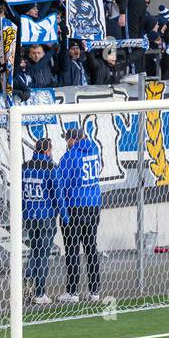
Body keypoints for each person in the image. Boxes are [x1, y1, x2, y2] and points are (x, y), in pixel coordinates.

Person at [53, 127, 103, 302]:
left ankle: (72, 292)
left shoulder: (70, 157)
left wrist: (62, 212)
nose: (66, 143)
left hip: (75, 208)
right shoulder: (95, 150)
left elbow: (61, 186)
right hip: (94, 206)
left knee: (72, 250)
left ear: (73, 140)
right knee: (91, 248)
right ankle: (95, 291)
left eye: (67, 139)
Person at [21, 137, 58, 305]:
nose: (51, 153)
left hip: (29, 215)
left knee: (34, 250)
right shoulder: (51, 167)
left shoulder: (24, 167)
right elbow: (57, 194)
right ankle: (40, 292)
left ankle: (28, 277)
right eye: (50, 150)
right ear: (46, 151)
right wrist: (63, 215)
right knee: (43, 254)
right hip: (46, 216)